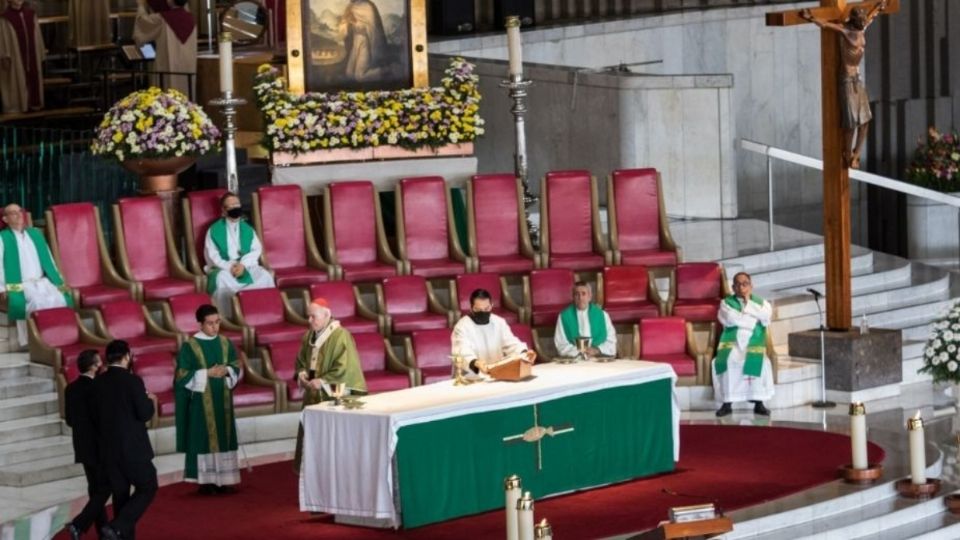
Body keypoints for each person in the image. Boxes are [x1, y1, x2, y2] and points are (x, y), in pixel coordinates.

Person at [801, 0, 886, 169]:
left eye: (863, 21)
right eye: (860, 22)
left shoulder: (862, 27)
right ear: (853, 21)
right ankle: (847, 153)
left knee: (866, 120)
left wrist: (878, 6)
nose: (863, 24)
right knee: (851, 122)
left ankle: (857, 152)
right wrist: (810, 17)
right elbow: (825, 25)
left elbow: (872, 16)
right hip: (847, 79)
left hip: (858, 78)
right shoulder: (845, 31)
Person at [293, 298, 366, 472]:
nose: (309, 320)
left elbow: (344, 367)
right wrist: (302, 374)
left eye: (313, 316)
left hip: (334, 393)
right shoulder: (308, 336)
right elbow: (301, 361)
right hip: (313, 394)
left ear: (327, 314)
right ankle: (313, 469)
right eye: (308, 316)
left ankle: (337, 469)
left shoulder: (341, 336)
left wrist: (323, 381)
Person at [174, 304, 241, 494]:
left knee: (224, 436)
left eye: (217, 322)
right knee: (204, 438)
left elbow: (235, 365)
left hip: (223, 400)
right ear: (200, 324)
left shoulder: (225, 342)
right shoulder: (191, 345)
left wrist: (227, 370)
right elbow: (181, 374)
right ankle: (206, 482)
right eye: (210, 323)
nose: (215, 327)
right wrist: (207, 373)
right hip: (202, 403)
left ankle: (224, 480)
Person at [95, 340, 157, 540]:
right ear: (127, 356)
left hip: (108, 449)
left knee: (120, 495)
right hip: (133, 448)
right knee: (148, 485)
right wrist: (150, 400)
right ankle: (117, 527)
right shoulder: (133, 381)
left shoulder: (98, 383)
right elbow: (144, 413)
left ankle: (121, 535)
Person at [0, 203, 73, 348]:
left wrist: (59, 280)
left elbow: (49, 260)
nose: (19, 214)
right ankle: (36, 342)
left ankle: (60, 337)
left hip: (42, 281)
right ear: (5, 219)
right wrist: (2, 288)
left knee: (59, 298)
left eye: (20, 211)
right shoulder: (2, 238)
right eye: (13, 213)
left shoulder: (35, 234)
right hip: (21, 284)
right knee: (37, 302)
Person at [712, 272, 775, 417]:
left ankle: (759, 402)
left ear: (751, 286)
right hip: (733, 341)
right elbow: (731, 319)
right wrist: (753, 318)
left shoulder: (762, 302)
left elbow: (766, 316)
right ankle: (727, 403)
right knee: (726, 361)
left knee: (762, 362)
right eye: (738, 284)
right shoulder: (726, 303)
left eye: (745, 283)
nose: (742, 287)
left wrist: (746, 307)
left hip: (754, 340)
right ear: (733, 287)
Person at [203, 192, 274, 316]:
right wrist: (231, 267)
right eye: (230, 206)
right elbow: (212, 256)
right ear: (223, 211)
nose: (235, 208)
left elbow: (256, 250)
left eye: (237, 204)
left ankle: (264, 313)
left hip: (246, 265)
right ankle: (228, 317)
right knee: (221, 279)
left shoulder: (248, 229)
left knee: (265, 276)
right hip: (225, 268)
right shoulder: (214, 230)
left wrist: (242, 265)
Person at [64, 350, 110, 540]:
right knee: (105, 488)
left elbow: (69, 420)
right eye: (99, 362)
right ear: (93, 366)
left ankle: (103, 530)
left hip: (82, 446)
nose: (101, 365)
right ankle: (79, 524)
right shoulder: (98, 387)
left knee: (95, 489)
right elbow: (103, 419)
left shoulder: (70, 388)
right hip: (99, 446)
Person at [451, 288, 533, 374]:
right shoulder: (462, 326)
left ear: (491, 305)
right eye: (478, 310)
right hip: (472, 375)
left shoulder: (499, 322)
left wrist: (524, 352)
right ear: (471, 308)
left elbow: (511, 343)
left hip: (497, 373)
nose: (483, 312)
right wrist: (476, 363)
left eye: (486, 309)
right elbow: (461, 351)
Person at [134, 0, 197, 97]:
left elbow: (142, 22)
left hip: (167, 67)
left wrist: (141, 6)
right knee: (185, 93)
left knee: (167, 95)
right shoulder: (191, 18)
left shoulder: (162, 18)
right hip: (187, 67)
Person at [553, 281, 617, 359]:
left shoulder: (602, 315)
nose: (580, 298)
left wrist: (597, 350)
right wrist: (579, 352)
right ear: (573, 297)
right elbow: (561, 343)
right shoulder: (564, 316)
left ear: (590, 296)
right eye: (577, 294)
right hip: (574, 360)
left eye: (583, 294)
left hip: (598, 358)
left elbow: (611, 340)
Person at [0, 0, 44, 113]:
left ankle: (33, 105)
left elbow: (37, 38)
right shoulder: (5, 19)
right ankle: (19, 106)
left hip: (31, 59)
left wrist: (40, 52)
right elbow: (3, 40)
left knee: (33, 78)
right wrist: (4, 55)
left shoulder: (31, 15)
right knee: (16, 79)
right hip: (15, 61)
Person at [339, 0, 388, 82]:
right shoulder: (350, 7)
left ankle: (383, 71)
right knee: (349, 74)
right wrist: (347, 25)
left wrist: (358, 25)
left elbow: (372, 27)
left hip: (365, 43)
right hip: (355, 44)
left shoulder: (368, 7)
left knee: (360, 77)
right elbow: (344, 24)